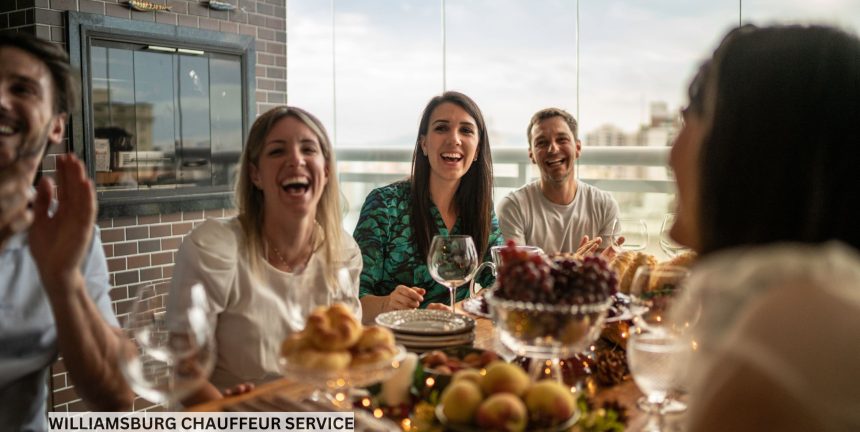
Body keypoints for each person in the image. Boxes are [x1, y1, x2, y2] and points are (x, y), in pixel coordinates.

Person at [668, 25, 860, 432]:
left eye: (689, 119)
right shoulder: (825, 297)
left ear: (745, 148)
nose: (671, 154)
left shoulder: (787, 339)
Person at [170, 106, 362, 403]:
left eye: (308, 149)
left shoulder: (343, 253)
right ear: (256, 174)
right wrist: (231, 415)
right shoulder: (212, 249)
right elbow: (186, 373)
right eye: (277, 151)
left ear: (325, 171)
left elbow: (345, 358)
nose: (296, 159)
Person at [0, 31, 133, 432]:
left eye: (21, 88)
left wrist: (64, 280)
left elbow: (116, 398)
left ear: (57, 125)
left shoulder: (69, 235)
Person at [354, 91, 503, 323]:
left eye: (466, 130)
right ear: (424, 143)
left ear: (477, 148)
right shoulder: (384, 204)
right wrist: (387, 304)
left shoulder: (481, 209)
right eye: (441, 128)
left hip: (455, 343)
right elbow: (352, 300)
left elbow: (501, 284)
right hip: (397, 347)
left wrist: (459, 310)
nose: (454, 139)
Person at [497, 107, 620, 256]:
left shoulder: (605, 206)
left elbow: (605, 271)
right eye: (541, 142)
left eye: (562, 139)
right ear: (531, 155)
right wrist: (574, 263)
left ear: (578, 148)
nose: (553, 149)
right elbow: (517, 273)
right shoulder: (513, 207)